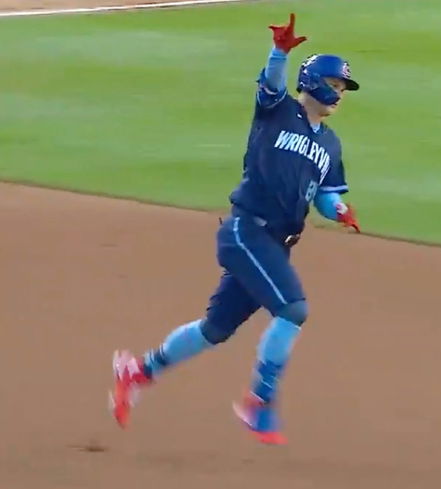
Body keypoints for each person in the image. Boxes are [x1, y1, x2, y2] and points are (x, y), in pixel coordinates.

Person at [109, 13, 361, 445]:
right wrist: (278, 52)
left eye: (342, 89)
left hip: (276, 245)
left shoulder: (331, 144)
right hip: (247, 231)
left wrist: (338, 209)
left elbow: (322, 193)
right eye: (335, 86)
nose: (339, 95)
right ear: (315, 82)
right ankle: (258, 402)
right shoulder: (277, 110)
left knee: (215, 330)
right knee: (293, 310)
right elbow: (270, 83)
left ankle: (138, 371)